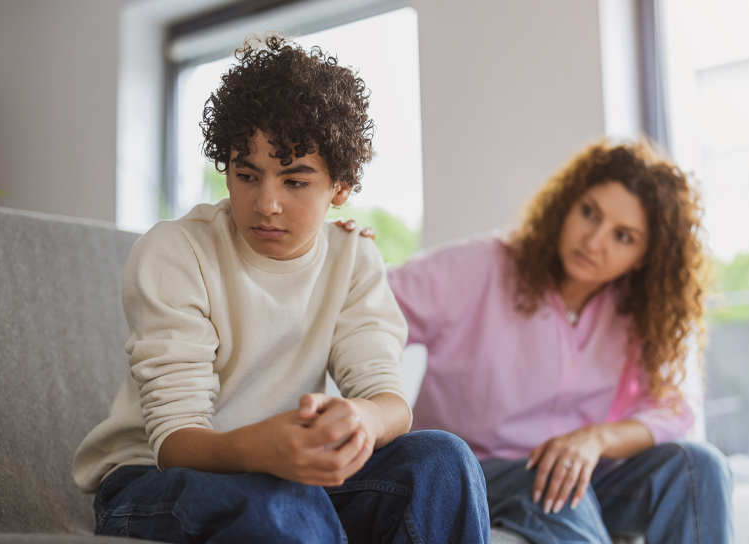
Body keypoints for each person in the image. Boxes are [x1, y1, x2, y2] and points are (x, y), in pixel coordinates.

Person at [71, 35, 490, 543]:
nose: (266, 204)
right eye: (247, 175)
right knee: (278, 497)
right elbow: (174, 440)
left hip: (291, 479)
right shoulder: (176, 252)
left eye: (294, 182)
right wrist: (264, 452)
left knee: (443, 459)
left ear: (340, 187)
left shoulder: (354, 257)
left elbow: (389, 400)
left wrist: (361, 417)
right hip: (153, 482)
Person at [346, 140, 734, 543]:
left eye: (623, 236)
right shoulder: (481, 267)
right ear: (567, 203)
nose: (594, 241)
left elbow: (674, 407)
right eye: (590, 213)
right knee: (559, 486)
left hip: (587, 477)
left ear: (645, 255)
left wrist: (596, 438)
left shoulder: (641, 312)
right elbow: (369, 308)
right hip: (477, 473)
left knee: (699, 465)